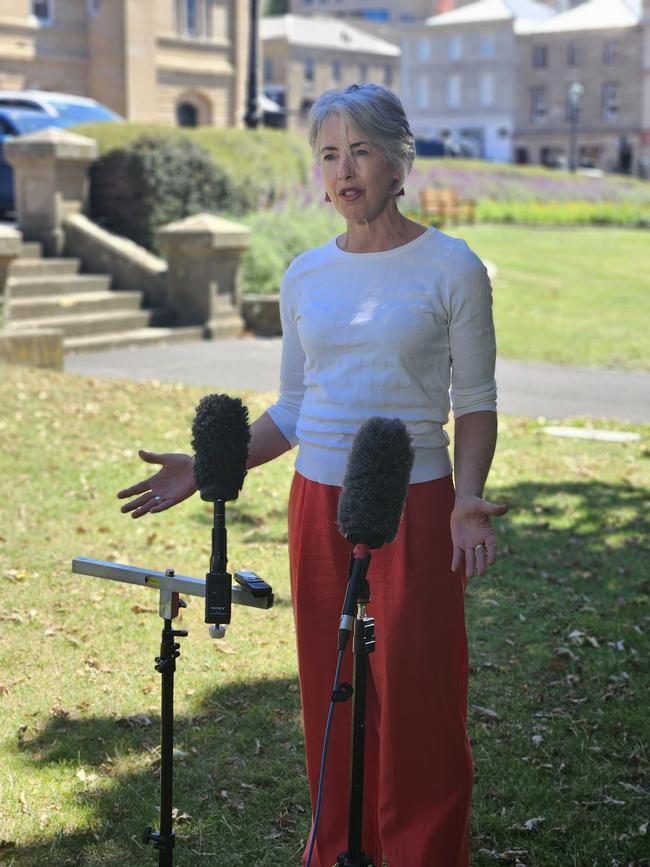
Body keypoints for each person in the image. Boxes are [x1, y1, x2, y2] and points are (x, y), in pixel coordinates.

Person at [118, 83, 508, 867]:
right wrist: (210, 465)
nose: (344, 170)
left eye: (361, 150)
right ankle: (336, 850)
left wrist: (467, 498)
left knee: (418, 700)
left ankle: (424, 854)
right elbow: (296, 409)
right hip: (318, 506)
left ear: (401, 160)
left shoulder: (453, 267)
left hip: (417, 503)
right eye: (330, 154)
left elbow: (476, 403)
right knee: (333, 694)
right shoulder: (305, 275)